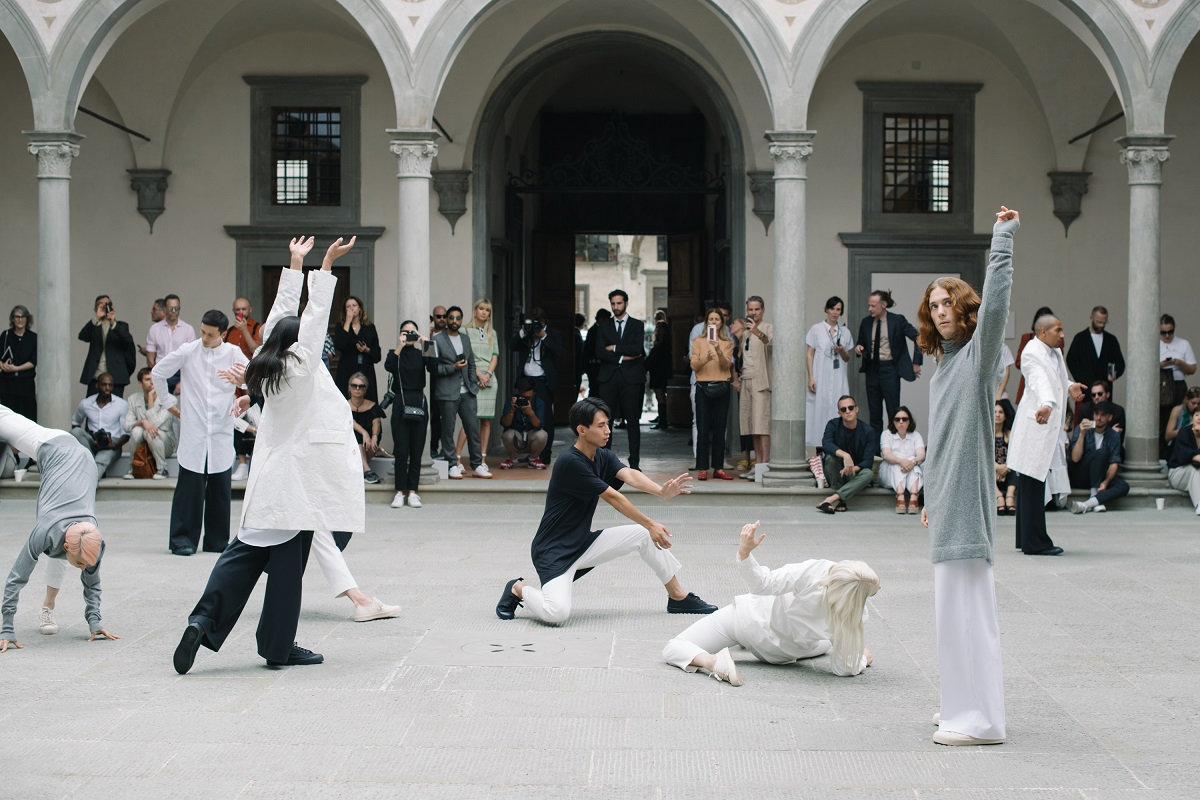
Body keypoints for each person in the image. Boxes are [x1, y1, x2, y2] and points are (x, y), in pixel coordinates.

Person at [172, 235, 364, 674]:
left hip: (265, 480)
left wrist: (295, 264)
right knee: (286, 570)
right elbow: (312, 321)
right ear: (300, 345)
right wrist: (327, 266)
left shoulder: (261, 360)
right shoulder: (300, 367)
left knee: (242, 554)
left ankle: (203, 619)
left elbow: (282, 315)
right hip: (294, 486)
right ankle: (278, 647)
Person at [917, 206, 1021, 747]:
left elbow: (999, 303)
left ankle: (982, 721)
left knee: (971, 616)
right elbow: (943, 442)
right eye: (932, 305)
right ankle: (959, 705)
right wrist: (931, 493)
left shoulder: (979, 357)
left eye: (947, 303)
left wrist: (1001, 240)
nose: (939, 312)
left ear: (965, 308)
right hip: (948, 503)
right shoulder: (945, 367)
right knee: (949, 616)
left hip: (970, 505)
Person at [494, 397, 717, 625]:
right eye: (600, 426)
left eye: (607, 424)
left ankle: (678, 597)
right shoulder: (570, 462)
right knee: (556, 614)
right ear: (582, 430)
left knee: (643, 536)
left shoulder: (602, 455)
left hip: (582, 543)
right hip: (553, 552)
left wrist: (661, 491)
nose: (607, 431)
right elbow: (613, 497)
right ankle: (518, 588)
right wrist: (650, 523)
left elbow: (630, 474)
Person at [663, 521, 878, 685]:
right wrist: (859, 660)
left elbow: (762, 584)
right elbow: (842, 668)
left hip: (745, 622)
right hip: (780, 652)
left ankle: (712, 662)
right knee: (828, 642)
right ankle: (741, 647)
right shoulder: (851, 614)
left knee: (675, 646)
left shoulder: (818, 570)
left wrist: (745, 553)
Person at [1, 404, 118, 652]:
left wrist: (95, 622)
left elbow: (92, 582)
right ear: (66, 545)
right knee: (5, 421)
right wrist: (7, 628)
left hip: (84, 461)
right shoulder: (45, 530)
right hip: (54, 445)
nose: (84, 569)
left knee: (62, 553)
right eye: (81, 565)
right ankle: (48, 605)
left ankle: (48, 607)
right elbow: (16, 578)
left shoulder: (93, 541)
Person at [152, 309, 249, 555]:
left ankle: (217, 541)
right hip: (194, 429)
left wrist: (241, 383)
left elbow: (254, 380)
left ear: (223, 334)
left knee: (220, 489)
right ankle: (183, 540)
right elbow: (158, 373)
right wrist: (169, 405)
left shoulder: (233, 353)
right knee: (190, 488)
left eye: (210, 334)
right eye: (203, 332)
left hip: (220, 428)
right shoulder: (188, 350)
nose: (204, 337)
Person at [1008, 313, 1085, 556]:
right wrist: (1048, 404)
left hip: (1043, 423)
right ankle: (1036, 542)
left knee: (1033, 483)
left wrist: (1070, 385)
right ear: (1043, 332)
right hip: (1036, 424)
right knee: (1032, 482)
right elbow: (1039, 380)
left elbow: (1058, 376)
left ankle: (1025, 539)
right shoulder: (1031, 351)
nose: (1062, 335)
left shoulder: (1055, 351)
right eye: (1058, 330)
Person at [855, 290, 922, 443]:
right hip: (871, 370)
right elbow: (861, 342)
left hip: (890, 370)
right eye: (869, 306)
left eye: (873, 306)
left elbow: (918, 338)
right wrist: (859, 347)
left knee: (893, 412)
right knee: (874, 415)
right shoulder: (866, 322)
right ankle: (877, 452)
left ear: (883, 305)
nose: (869, 309)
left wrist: (916, 362)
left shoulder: (897, 320)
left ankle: (895, 446)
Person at [432, 306, 490, 480]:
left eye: (458, 318)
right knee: (448, 430)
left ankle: (478, 464)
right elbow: (434, 368)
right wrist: (453, 368)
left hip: (467, 392)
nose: (454, 321)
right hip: (447, 392)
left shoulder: (465, 339)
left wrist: (472, 381)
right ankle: (452, 464)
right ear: (446, 320)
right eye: (451, 318)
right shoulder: (436, 340)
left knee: (473, 428)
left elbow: (471, 363)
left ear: (461, 320)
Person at [594, 290, 647, 470]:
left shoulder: (637, 325)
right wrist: (621, 357)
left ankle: (635, 464)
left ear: (626, 303)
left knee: (633, 422)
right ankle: (605, 463)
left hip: (631, 379)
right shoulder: (604, 325)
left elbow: (637, 349)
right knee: (604, 422)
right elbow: (599, 351)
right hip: (608, 379)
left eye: (619, 303)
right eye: (613, 304)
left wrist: (614, 347)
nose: (616, 307)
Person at [384, 320, 433, 509]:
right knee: (402, 449)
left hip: (418, 400)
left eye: (413, 332)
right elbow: (390, 366)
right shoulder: (395, 353)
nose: (409, 335)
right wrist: (400, 345)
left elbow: (433, 367)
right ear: (400, 334)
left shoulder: (422, 352)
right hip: (400, 401)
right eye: (406, 332)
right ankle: (399, 492)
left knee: (416, 449)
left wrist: (426, 343)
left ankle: (412, 492)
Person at [512, 307, 563, 464]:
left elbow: (560, 352)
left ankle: (545, 454)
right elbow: (512, 346)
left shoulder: (553, 334)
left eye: (538, 323)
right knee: (525, 416)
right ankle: (532, 454)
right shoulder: (527, 334)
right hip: (526, 380)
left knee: (545, 418)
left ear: (544, 322)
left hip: (543, 381)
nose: (535, 326)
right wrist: (523, 331)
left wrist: (543, 336)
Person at [691, 308, 734, 481]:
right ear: (706, 322)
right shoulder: (698, 341)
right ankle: (702, 468)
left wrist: (718, 350)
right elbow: (694, 365)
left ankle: (718, 467)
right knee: (702, 429)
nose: (714, 322)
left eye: (717, 319)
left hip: (722, 387)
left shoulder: (726, 342)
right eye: (711, 319)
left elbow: (726, 366)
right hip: (703, 388)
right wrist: (706, 359)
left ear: (721, 323)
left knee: (719, 429)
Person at [806, 296, 854, 448]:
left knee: (837, 407)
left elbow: (847, 358)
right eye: (832, 309)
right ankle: (818, 446)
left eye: (838, 309)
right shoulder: (816, 329)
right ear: (826, 309)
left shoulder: (845, 332)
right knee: (818, 409)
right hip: (821, 376)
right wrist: (811, 377)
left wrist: (841, 351)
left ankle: (837, 444)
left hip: (838, 376)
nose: (835, 312)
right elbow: (810, 353)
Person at [224, 297, 263, 481]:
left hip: (253, 386)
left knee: (256, 420)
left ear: (250, 310)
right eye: (237, 309)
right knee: (235, 421)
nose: (241, 313)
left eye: (244, 309)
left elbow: (256, 350)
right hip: (234, 386)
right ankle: (241, 464)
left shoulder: (257, 328)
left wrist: (244, 330)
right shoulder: (228, 332)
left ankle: (256, 464)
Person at [817, 395, 876, 513]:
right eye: (843, 409)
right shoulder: (833, 425)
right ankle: (841, 498)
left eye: (850, 408)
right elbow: (826, 444)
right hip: (836, 472)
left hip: (855, 473)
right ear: (839, 412)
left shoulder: (868, 431)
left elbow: (868, 460)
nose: (848, 411)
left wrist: (853, 468)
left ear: (856, 409)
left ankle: (833, 498)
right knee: (830, 458)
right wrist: (845, 455)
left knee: (868, 474)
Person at [457, 299, 500, 464]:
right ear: (475, 310)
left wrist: (488, 373)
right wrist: (478, 375)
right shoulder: (464, 331)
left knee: (486, 420)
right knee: (470, 418)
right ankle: (457, 458)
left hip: (489, 378)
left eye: (487, 310)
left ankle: (482, 459)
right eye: (481, 309)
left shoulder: (492, 333)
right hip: (471, 375)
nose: (484, 312)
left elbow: (495, 355)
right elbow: (464, 356)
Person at [1068, 402, 1130, 514]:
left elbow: (1114, 463)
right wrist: (1082, 434)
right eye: (1096, 414)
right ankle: (1094, 493)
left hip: (1100, 475)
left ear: (1110, 417)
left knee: (1123, 486)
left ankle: (1087, 504)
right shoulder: (1082, 429)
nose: (1098, 418)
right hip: (1080, 474)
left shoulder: (1113, 435)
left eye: (1103, 415)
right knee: (1101, 453)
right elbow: (1075, 458)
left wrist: (1106, 482)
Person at [69, 374, 129, 482]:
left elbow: (126, 433)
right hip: (92, 442)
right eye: (104, 385)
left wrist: (114, 444)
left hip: (112, 444)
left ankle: (87, 485)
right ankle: (89, 457)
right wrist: (84, 444)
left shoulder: (121, 404)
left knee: (100, 461)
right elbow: (75, 422)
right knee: (75, 432)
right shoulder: (86, 403)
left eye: (110, 385)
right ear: (97, 385)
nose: (107, 388)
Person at [738, 296, 773, 475]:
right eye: (750, 310)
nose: (753, 313)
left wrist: (757, 331)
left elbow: (771, 344)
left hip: (761, 382)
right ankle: (757, 466)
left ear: (763, 310)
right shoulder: (745, 333)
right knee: (751, 425)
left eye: (756, 309)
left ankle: (765, 465)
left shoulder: (767, 328)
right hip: (746, 380)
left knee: (762, 425)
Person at [122, 367, 176, 480]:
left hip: (165, 442)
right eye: (147, 379)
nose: (152, 382)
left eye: (154, 379)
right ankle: (133, 467)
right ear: (140, 383)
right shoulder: (133, 399)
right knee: (136, 431)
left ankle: (162, 468)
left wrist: (151, 398)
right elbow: (127, 426)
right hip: (144, 441)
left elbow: (155, 424)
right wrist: (142, 422)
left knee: (150, 432)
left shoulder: (169, 399)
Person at [79, 295, 136, 398]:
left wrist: (113, 322)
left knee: (115, 409)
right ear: (95, 308)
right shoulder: (94, 326)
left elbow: (128, 340)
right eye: (101, 305)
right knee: (92, 408)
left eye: (107, 305)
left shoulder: (121, 326)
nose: (105, 307)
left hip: (115, 378)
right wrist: (96, 318)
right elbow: (82, 336)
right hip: (95, 377)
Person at [1159, 314, 1196, 458]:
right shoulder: (1155, 344)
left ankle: (1182, 452)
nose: (1167, 335)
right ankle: (1162, 456)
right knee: (1161, 422)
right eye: (1163, 332)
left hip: (1178, 383)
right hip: (1161, 385)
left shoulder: (1183, 344)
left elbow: (1192, 369)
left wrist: (1180, 363)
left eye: (1170, 332)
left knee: (1182, 418)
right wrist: (1160, 365)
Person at [1066, 305, 1125, 396]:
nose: (1101, 325)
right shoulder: (1080, 338)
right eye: (1098, 322)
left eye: (1104, 323)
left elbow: (1120, 363)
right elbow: (1071, 360)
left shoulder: (1111, 340)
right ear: (1091, 318)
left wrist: (1114, 373)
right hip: (1086, 390)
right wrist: (1081, 379)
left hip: (1105, 391)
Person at [145, 294, 196, 397]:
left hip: (180, 373)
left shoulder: (188, 329)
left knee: (181, 410)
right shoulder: (155, 329)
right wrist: (157, 379)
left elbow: (192, 359)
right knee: (161, 409)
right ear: (164, 309)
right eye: (170, 308)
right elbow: (150, 360)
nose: (174, 311)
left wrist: (183, 382)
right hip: (161, 371)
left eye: (177, 308)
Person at [333, 295, 381, 403]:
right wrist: (348, 322)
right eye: (348, 307)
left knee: (368, 400)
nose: (351, 309)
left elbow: (377, 355)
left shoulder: (369, 327)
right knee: (345, 401)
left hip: (365, 369)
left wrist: (366, 350)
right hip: (347, 369)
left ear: (360, 308)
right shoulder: (340, 326)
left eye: (354, 305)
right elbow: (340, 345)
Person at [878, 406, 924, 515]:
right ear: (893, 421)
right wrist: (901, 461)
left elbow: (921, 455)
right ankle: (900, 494)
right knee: (895, 464)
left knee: (915, 465)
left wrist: (912, 462)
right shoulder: (886, 434)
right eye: (897, 419)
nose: (901, 422)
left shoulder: (915, 435)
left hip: (910, 470)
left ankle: (914, 495)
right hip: (889, 472)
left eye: (904, 419)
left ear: (910, 421)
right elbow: (887, 455)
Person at [499, 376, 549, 470]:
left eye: (528, 398)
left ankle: (533, 459)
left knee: (542, 434)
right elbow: (505, 424)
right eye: (523, 397)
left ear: (534, 393)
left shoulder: (538, 402)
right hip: (516, 437)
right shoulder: (511, 401)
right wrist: (512, 410)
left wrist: (531, 414)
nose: (525, 400)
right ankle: (512, 458)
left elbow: (538, 426)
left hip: (531, 437)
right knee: (507, 435)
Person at [0, 305, 37, 421]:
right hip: (7, 383)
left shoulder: (33, 338)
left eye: (22, 317)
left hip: (25, 383)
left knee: (26, 415)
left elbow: (34, 361)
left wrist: (16, 368)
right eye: (17, 317)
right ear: (12, 319)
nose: (20, 320)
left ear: (27, 319)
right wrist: (2, 365)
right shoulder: (6, 335)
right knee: (8, 415)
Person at [1014, 306, 1056, 405]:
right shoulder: (1027, 338)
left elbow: (1057, 363)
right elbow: (1018, 362)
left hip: (1049, 383)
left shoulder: (1057, 339)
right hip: (1029, 382)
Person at [348, 372, 385, 485]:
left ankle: (362, 469)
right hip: (350, 444)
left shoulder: (372, 406)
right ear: (350, 388)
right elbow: (350, 422)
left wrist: (374, 436)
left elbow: (376, 422)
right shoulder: (344, 405)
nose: (357, 388)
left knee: (365, 437)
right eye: (354, 385)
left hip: (369, 444)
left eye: (361, 386)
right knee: (356, 434)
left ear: (365, 389)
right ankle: (367, 470)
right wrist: (364, 432)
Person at [1167, 412, 1200, 515]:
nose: (1199, 418)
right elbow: (1186, 455)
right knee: (1194, 469)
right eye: (1197, 415)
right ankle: (1199, 504)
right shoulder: (1184, 432)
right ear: (1192, 418)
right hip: (1178, 473)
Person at [428, 305, 448, 459]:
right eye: (438, 316)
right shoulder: (428, 334)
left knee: (445, 416)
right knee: (433, 415)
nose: (441, 319)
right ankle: (432, 447)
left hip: (448, 378)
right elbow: (428, 359)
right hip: (431, 378)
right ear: (433, 318)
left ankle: (445, 449)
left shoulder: (450, 334)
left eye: (444, 316)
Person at [646, 319, 673, 430]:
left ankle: (663, 420)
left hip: (659, 373)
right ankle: (661, 419)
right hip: (657, 372)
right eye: (657, 327)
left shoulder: (664, 343)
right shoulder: (659, 342)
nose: (657, 330)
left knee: (660, 397)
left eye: (660, 327)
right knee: (659, 397)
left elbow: (657, 359)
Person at [993, 401, 1016, 516]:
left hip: (1007, 474)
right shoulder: (986, 436)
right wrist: (997, 468)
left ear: (1005, 416)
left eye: (1001, 412)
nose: (997, 415)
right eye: (995, 412)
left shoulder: (1009, 434)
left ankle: (1009, 497)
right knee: (984, 471)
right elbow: (982, 459)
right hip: (992, 476)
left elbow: (1014, 455)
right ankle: (999, 497)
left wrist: (1004, 469)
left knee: (1016, 468)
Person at [1165, 386, 1200, 458]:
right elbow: (1168, 435)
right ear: (1187, 400)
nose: (1196, 406)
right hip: (1177, 447)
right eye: (1193, 403)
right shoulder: (1178, 410)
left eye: (1199, 403)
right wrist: (1188, 427)